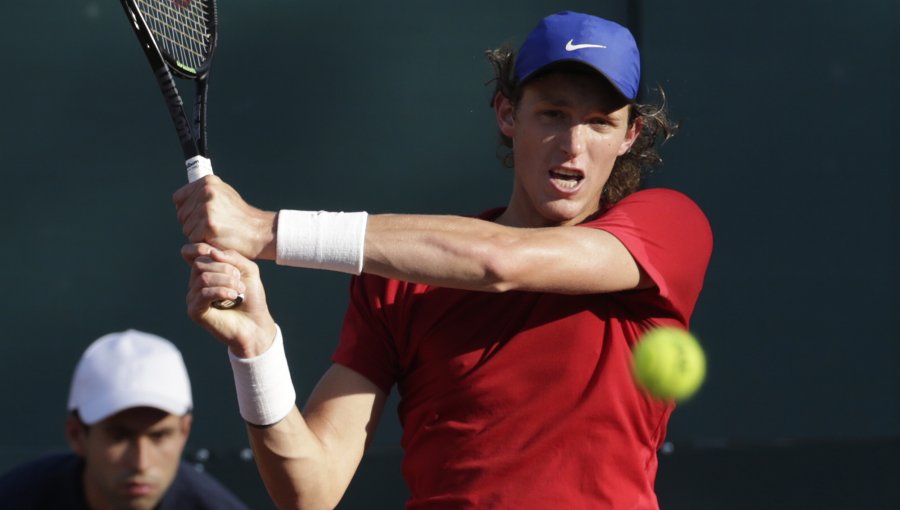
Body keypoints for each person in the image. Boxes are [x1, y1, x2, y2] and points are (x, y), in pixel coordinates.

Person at [175, 11, 713, 510]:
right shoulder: (399, 283)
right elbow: (310, 490)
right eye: (553, 113)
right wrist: (256, 351)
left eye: (600, 122)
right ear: (508, 114)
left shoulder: (669, 227)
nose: (573, 144)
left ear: (630, 135)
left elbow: (499, 263)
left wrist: (265, 229)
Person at [0, 329, 249, 510]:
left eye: (159, 436)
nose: (140, 462)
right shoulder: (15, 498)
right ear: (77, 436)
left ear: (184, 432)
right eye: (119, 436)